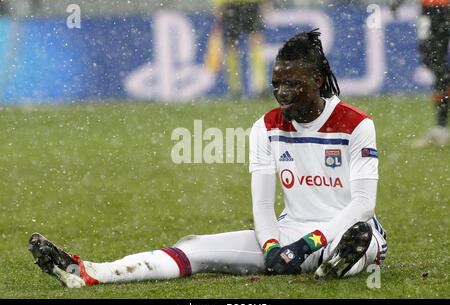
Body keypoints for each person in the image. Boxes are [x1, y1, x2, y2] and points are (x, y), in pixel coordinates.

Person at [29, 30, 387, 288]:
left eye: (292, 85)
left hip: (351, 230)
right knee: (194, 247)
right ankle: (91, 272)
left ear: (317, 80)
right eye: (276, 84)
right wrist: (274, 246)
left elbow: (362, 205)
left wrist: (308, 244)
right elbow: (262, 205)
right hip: (290, 230)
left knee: (357, 242)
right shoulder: (265, 127)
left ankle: (337, 262)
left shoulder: (357, 125)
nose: (282, 95)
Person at [393, 0, 449, 147]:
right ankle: (440, 128)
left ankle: (440, 129)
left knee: (435, 63)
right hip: (437, 9)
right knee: (439, 67)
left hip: (435, 9)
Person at [209, 0, 269, 98]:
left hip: (248, 4)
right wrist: (218, 4)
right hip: (231, 4)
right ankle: (235, 88)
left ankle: (260, 87)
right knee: (233, 45)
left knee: (255, 40)